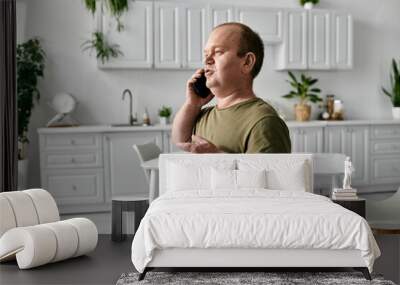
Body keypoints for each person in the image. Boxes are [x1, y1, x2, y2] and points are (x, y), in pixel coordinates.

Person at [171, 22, 291, 153]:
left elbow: (268, 174)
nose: (207, 61)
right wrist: (192, 104)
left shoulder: (264, 122)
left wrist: (217, 157)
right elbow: (180, 141)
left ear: (247, 62)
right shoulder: (203, 115)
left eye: (218, 52)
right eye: (206, 55)